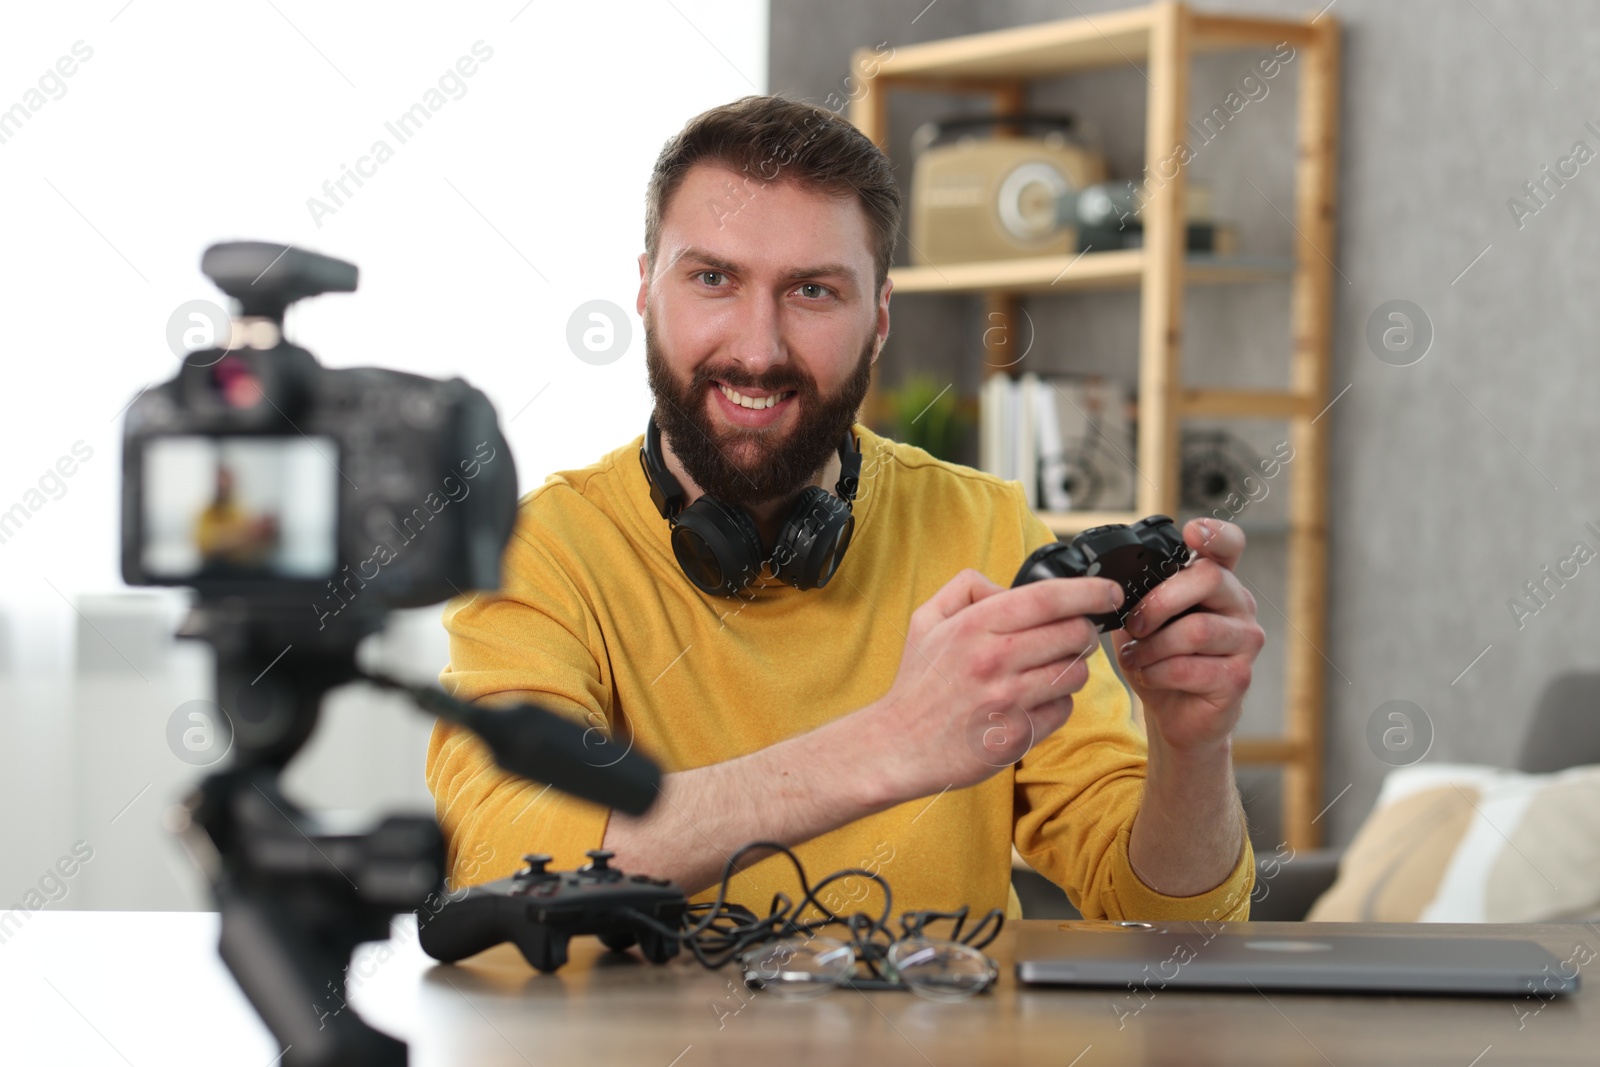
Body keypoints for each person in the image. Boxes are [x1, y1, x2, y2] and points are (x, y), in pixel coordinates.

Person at [426, 94, 1266, 922]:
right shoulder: (535, 550)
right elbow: (501, 862)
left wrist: (1193, 750)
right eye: (713, 278)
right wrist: (888, 745)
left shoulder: (985, 527)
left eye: (813, 291)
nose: (757, 348)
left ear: (880, 318)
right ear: (646, 291)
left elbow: (1167, 924)